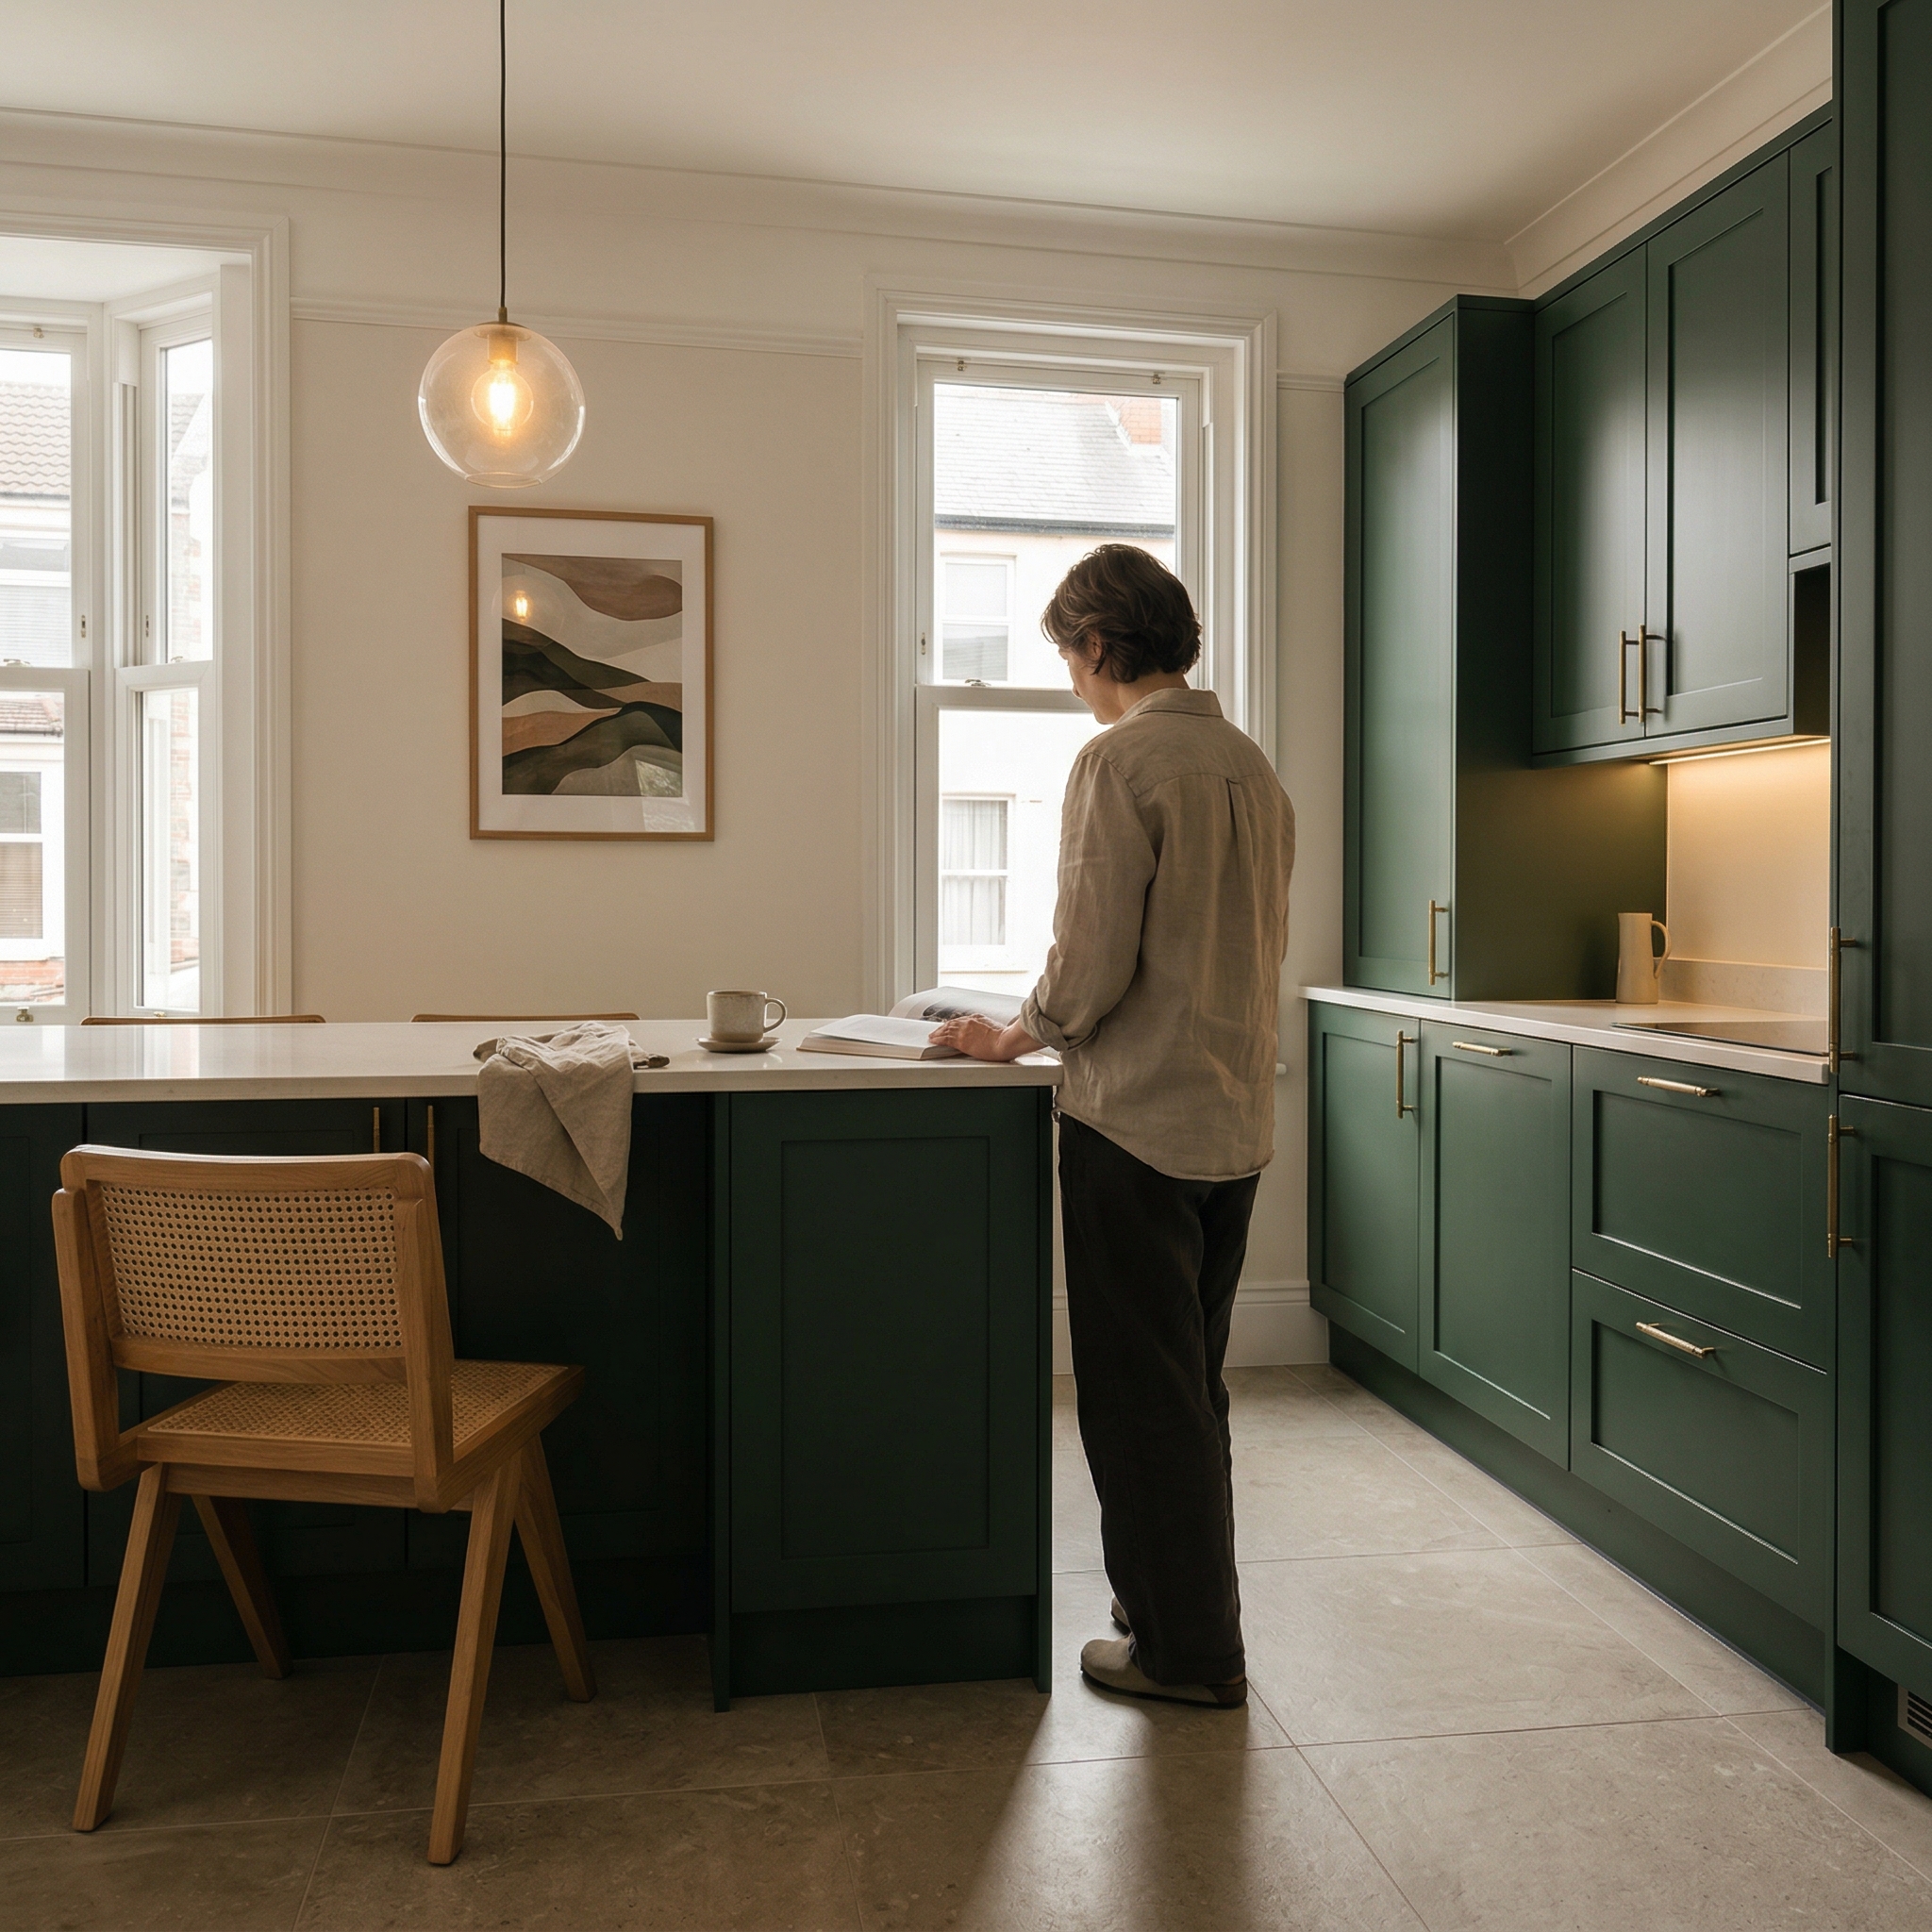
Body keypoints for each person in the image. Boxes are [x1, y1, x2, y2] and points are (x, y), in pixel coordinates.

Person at [932, 543, 1295, 1708]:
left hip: (1132, 1125)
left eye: (1070, 660)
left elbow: (1088, 962)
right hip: (1232, 1121)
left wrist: (1012, 1033)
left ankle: (1185, 1654)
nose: (1075, 686)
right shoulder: (1251, 768)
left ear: (1097, 642)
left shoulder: (1119, 761)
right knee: (1190, 1393)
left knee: (1140, 1406)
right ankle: (1178, 1617)